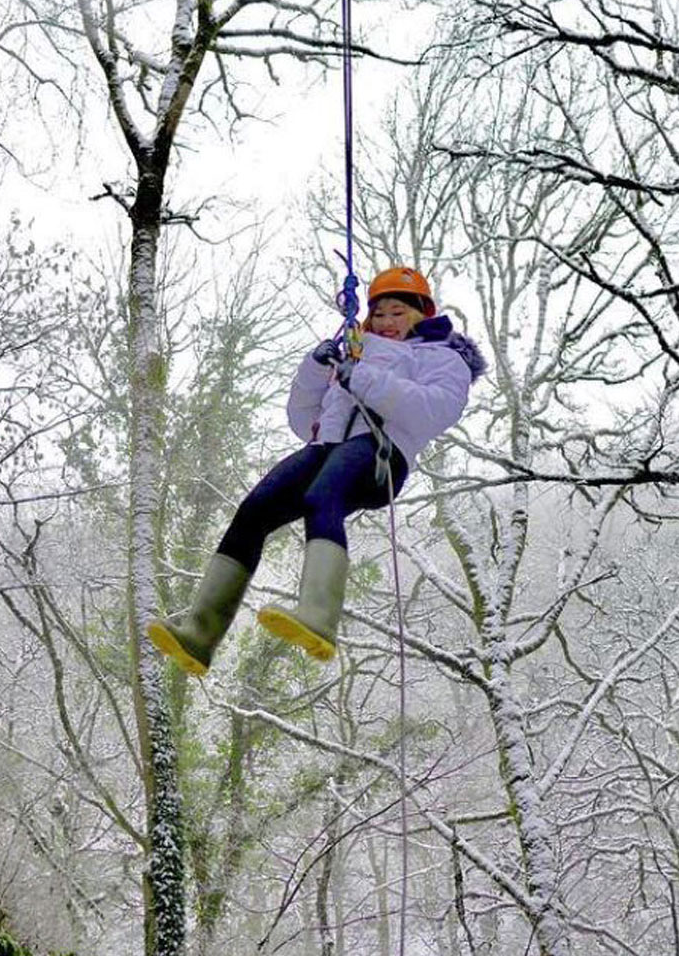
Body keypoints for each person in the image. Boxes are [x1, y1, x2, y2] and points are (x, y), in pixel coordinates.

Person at [148, 266, 485, 674]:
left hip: (381, 453)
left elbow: (433, 410)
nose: (387, 322)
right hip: (328, 447)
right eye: (379, 314)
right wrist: (317, 368)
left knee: (322, 496)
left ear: (421, 314)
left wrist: (361, 377)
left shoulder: (440, 357)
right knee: (255, 509)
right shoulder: (357, 353)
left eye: (398, 313)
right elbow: (302, 417)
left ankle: (319, 616)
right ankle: (200, 632)